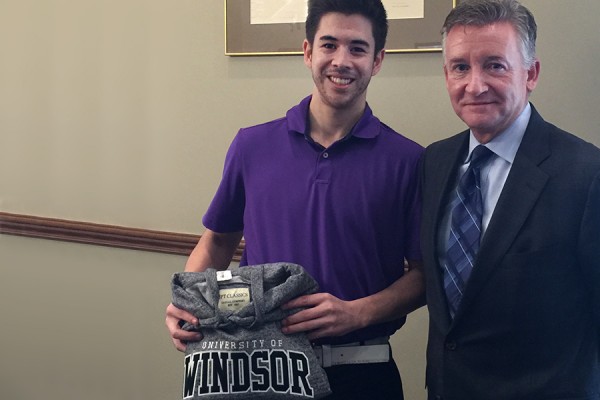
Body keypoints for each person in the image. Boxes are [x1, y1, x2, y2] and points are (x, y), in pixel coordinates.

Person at [166, 0, 426, 398]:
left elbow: (424, 276)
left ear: (377, 60)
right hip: (257, 368)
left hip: (363, 373)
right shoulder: (252, 146)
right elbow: (217, 240)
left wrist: (356, 313)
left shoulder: (408, 160)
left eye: (357, 48)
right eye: (329, 45)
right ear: (308, 52)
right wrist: (188, 302)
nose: (341, 61)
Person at [419, 0, 600, 399]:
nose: (475, 85)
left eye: (495, 65)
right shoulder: (435, 161)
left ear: (530, 73)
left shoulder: (586, 174)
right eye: (460, 67)